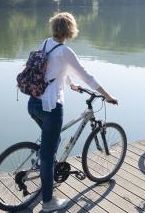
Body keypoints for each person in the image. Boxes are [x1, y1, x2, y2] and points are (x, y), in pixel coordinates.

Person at [28, 12, 118, 212]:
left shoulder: (45, 44)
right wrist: (108, 95)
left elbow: (54, 70)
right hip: (51, 107)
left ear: (53, 28)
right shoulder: (65, 51)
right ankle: (48, 202)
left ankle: (45, 167)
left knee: (52, 141)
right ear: (70, 30)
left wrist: (71, 84)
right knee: (49, 153)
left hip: (34, 103)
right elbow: (88, 76)